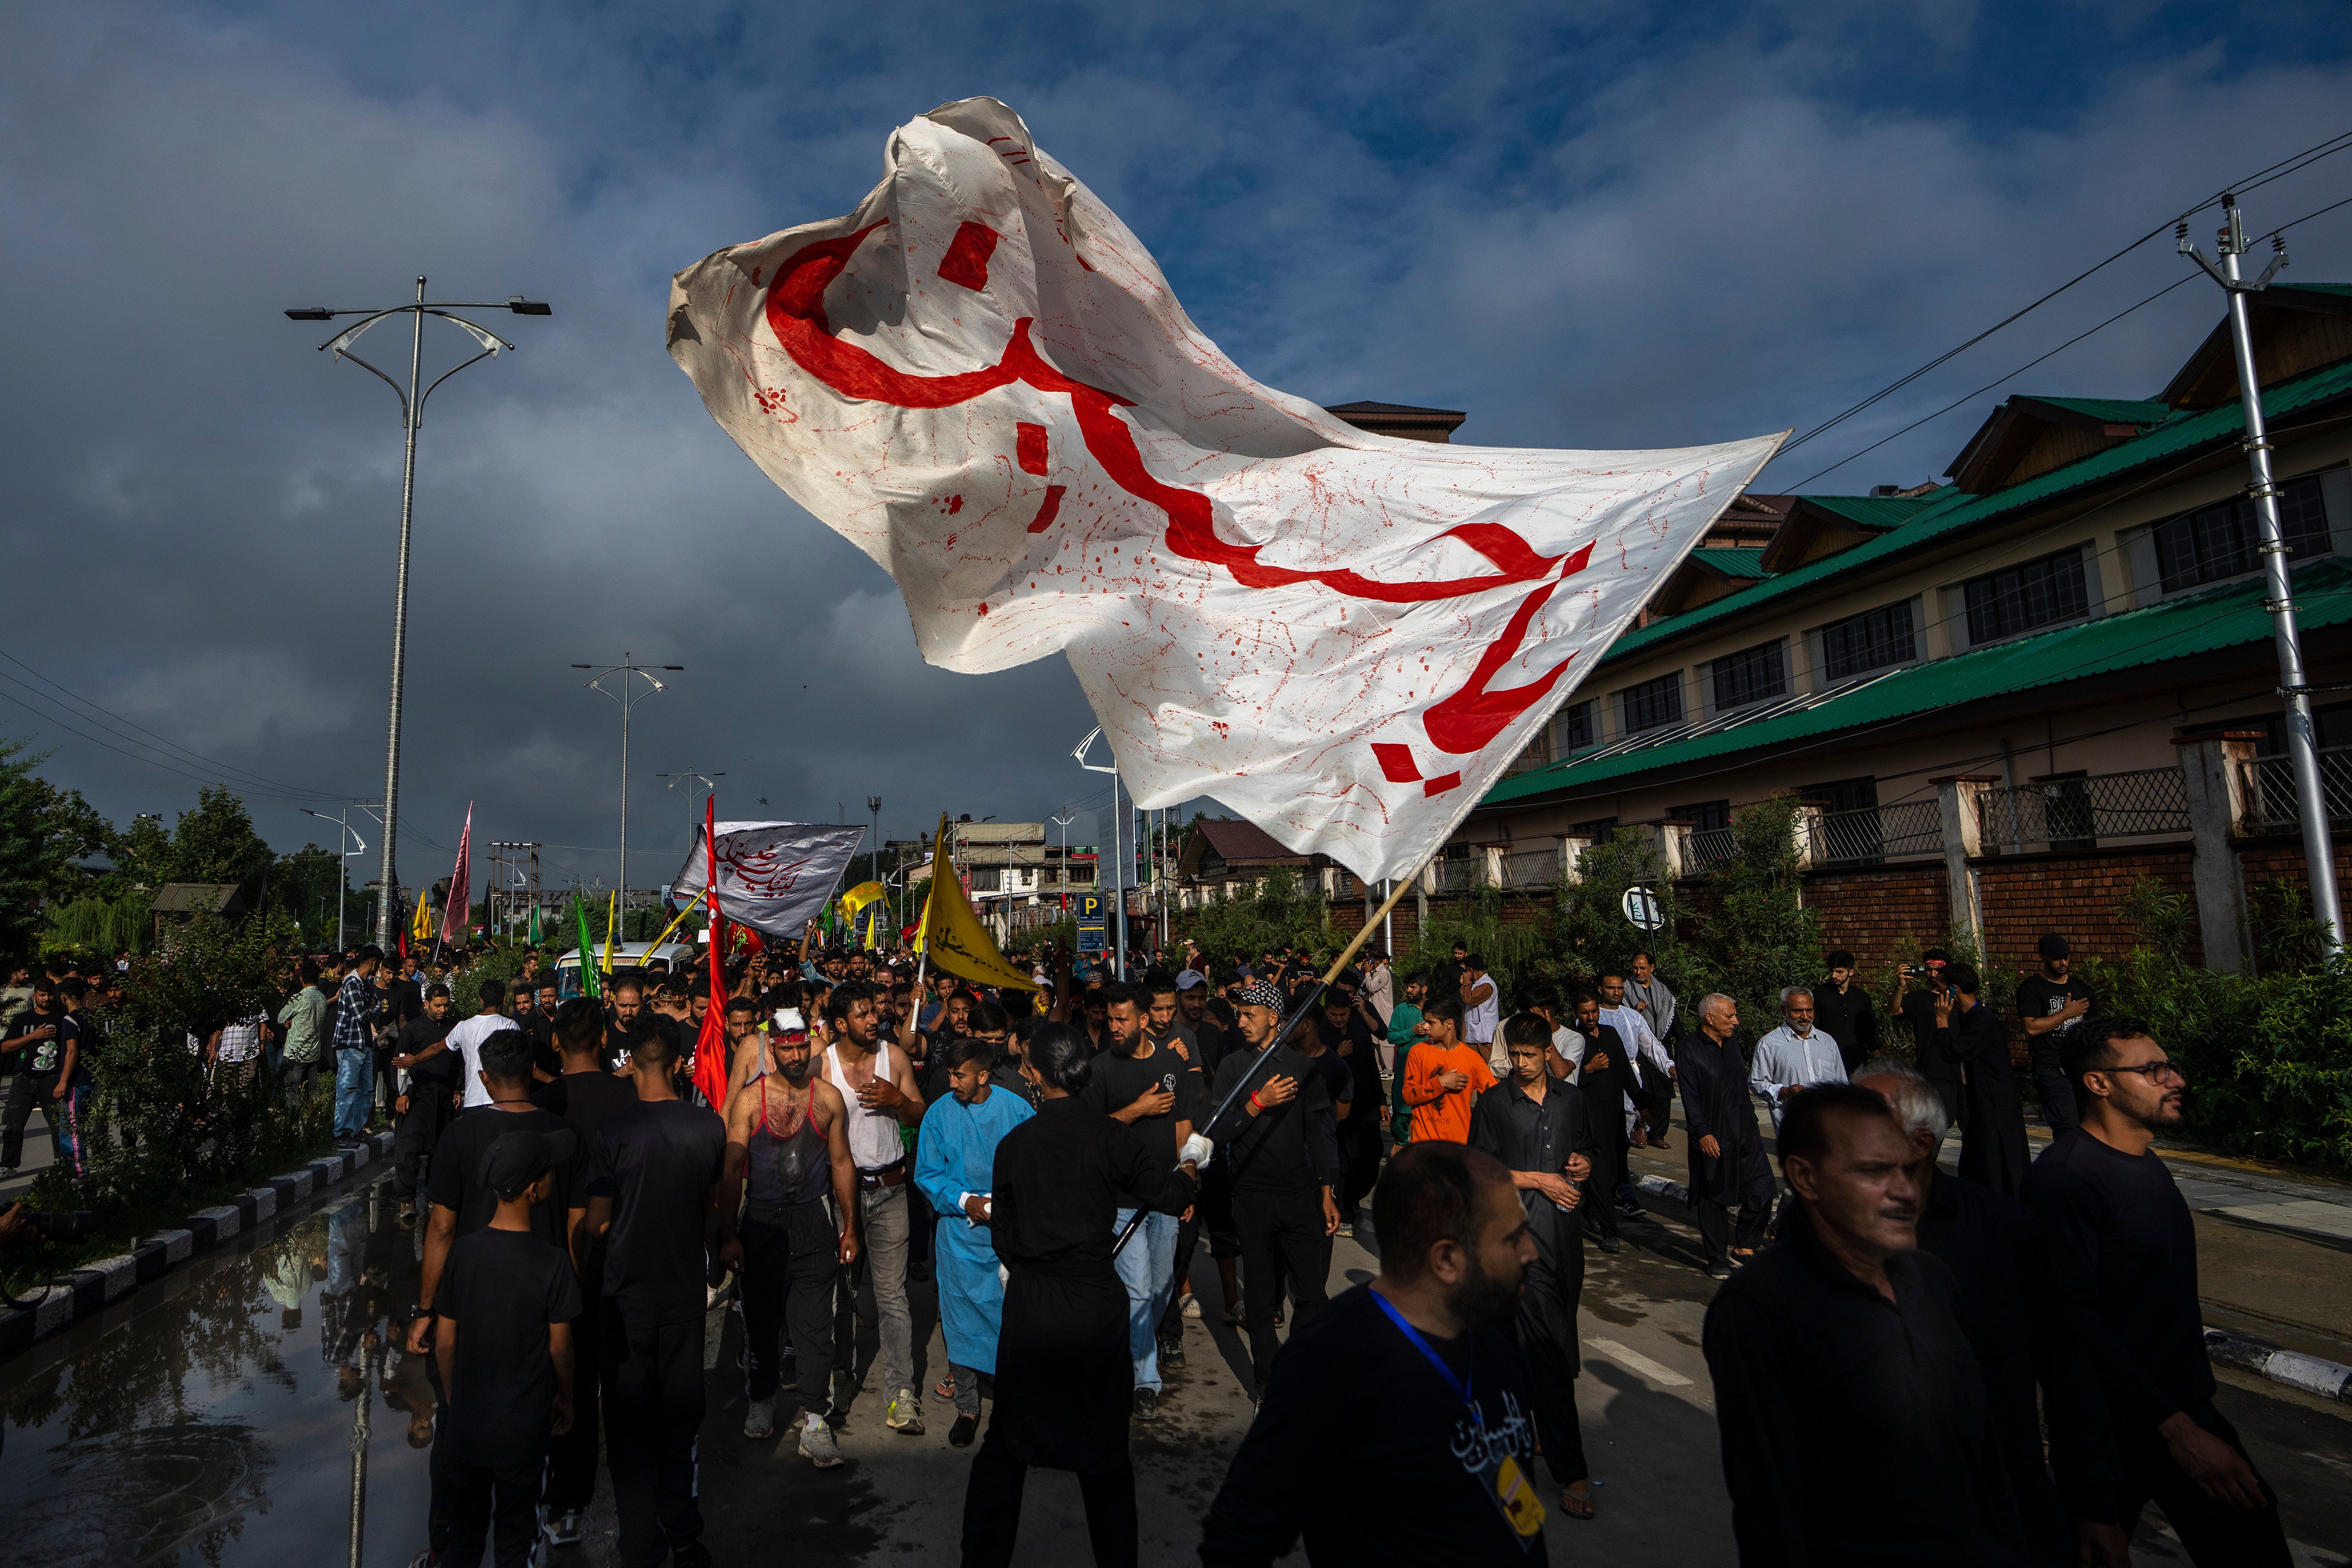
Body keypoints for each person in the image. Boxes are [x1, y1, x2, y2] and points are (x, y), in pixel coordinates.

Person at [1703, 1083, 2025, 1566]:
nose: (1904, 1191)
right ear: (1805, 1178)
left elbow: (1984, 1451)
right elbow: (1768, 1506)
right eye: (1874, 1172)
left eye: (1907, 1169)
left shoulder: (1932, 1280)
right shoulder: (1759, 1307)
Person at [2021, 1018, 2293, 1568]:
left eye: (2168, 1066)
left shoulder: (2145, 1165)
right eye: (2152, 1070)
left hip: (2183, 1410)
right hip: (2123, 1431)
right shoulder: (2066, 1180)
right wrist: (2102, 1491)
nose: (2175, 1080)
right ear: (2098, 1084)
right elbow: (2069, 1330)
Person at [1199, 1140, 1548, 1565]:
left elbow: (1516, 1503)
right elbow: (1237, 1541)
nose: (1530, 1251)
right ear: (1447, 1259)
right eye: (1512, 1238)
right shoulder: (1329, 1362)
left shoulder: (1492, 1324)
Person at [961, 1022, 1200, 1568]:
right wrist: (1192, 1162)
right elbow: (1169, 1193)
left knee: (1007, 1447)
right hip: (1092, 1303)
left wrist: (1031, 1267)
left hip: (1034, 1306)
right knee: (1104, 1453)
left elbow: (1004, 1236)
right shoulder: (1110, 1137)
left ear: (1035, 1075)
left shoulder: (1014, 1145)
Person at [1853, 1058, 2072, 1565]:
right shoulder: (1818, 1232)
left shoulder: (2005, 1230)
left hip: (1996, 1500)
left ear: (1920, 1145)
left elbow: (2065, 1368)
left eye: (1860, 1125)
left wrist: (2093, 1504)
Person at [581, 1029, 727, 1568]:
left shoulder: (615, 1131)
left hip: (625, 1303)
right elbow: (712, 1203)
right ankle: (685, 1535)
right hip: (684, 1296)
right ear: (678, 1068)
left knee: (628, 1429)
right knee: (680, 1420)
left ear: (632, 1066)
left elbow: (597, 1221)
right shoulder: (708, 1127)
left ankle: (638, 1544)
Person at [431, 1127, 583, 1568]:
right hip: (523, 1429)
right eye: (550, 1171)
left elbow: (445, 1342)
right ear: (535, 1189)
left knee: (464, 1541)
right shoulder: (552, 1263)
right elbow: (561, 1350)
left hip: (468, 1427)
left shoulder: (462, 1253)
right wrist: (567, 1398)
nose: (555, 1176)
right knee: (517, 1542)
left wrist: (457, 1402)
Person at [1469, 1012, 1598, 1520]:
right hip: (1517, 1245)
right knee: (1547, 1358)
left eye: (1529, 1055)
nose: (1520, 1064)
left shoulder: (1572, 1099)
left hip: (1566, 1239)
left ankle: (1531, 1433)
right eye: (1514, 1055)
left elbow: (1587, 1149)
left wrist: (1581, 1165)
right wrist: (1538, 1180)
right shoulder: (1496, 1102)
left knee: (1554, 1341)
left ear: (1548, 1051)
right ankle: (1571, 1470)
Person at [716, 1005, 857, 1465]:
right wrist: (729, 1234)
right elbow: (732, 1169)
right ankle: (761, 1399)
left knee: (816, 1329)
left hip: (813, 1224)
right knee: (760, 1325)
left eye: (802, 1045)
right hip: (761, 1223)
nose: (796, 1054)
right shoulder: (750, 1101)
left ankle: (815, 1420)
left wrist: (849, 1225)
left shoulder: (828, 1099)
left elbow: (841, 1164)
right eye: (787, 1046)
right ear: (771, 1050)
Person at [529, 997, 640, 1545]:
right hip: (620, 1260)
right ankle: (634, 1506)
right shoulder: (628, 1097)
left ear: (556, 1042)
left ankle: (565, 1508)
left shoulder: (542, 1103)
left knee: (565, 1385)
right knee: (620, 1385)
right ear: (600, 1040)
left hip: (555, 1265)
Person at [1206, 981, 1342, 1398]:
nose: (1241, 1021)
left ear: (1274, 1019)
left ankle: (1295, 1368)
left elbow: (1319, 1134)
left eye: (1249, 1014)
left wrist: (1327, 1190)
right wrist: (1257, 1102)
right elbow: (1218, 1132)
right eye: (1239, 1014)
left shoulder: (1301, 1067)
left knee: (1312, 1295)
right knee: (1262, 1302)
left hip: (1301, 1195)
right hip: (1251, 1196)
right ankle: (1265, 1385)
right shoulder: (1233, 1067)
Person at [1080, 981, 1196, 1416]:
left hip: (1165, 1196)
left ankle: (1130, 1348)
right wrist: (1138, 1109)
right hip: (1122, 1199)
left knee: (1162, 1287)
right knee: (1139, 1287)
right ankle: (1145, 1379)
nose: (1113, 1026)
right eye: (1109, 1018)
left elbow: (1185, 1126)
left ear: (1144, 1020)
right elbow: (1090, 1132)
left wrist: (1188, 1180)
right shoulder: (1100, 1070)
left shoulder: (1172, 1063)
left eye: (1121, 1019)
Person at [914, 1036, 1034, 1447]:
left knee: (1010, 1321)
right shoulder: (938, 1115)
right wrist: (967, 1200)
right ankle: (967, 1407)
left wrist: (1003, 1204)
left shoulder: (1017, 1110)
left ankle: (1010, 1406)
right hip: (958, 1239)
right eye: (950, 1073)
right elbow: (928, 1174)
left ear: (983, 1075)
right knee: (961, 1320)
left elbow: (1036, 1165)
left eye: (960, 1075)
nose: (952, 1083)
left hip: (1007, 1236)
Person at [819, 979, 928, 1432]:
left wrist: (898, 1100)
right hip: (837, 1196)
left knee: (892, 1297)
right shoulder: (820, 1066)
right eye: (863, 1014)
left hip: (891, 1191)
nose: (874, 1019)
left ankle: (901, 1394)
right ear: (841, 1023)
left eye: (874, 1012)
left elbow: (922, 1115)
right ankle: (840, 1376)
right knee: (839, 1295)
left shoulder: (894, 1058)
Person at [1674, 993, 1772, 1279]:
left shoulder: (1731, 1046)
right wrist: (1702, 1132)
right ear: (1710, 1018)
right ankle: (1716, 1258)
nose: (1735, 1021)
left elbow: (1741, 1088)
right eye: (1729, 1016)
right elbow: (1690, 1096)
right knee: (1714, 1197)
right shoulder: (1689, 1049)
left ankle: (1744, 1248)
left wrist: (1752, 1125)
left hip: (1746, 1133)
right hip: (1714, 1135)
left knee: (1763, 1190)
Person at [1934, 963, 2028, 1195]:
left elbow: (1953, 1052)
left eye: (1941, 988)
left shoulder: (1982, 1020)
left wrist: (1942, 1022)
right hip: (1981, 1100)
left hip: (1995, 1104)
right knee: (1978, 1162)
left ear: (1954, 990)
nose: (1938, 994)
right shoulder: (1969, 1017)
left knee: (1997, 1164)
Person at [1562, 990, 1636, 1252]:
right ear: (1575, 1014)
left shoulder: (1611, 1035)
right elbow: (1563, 1080)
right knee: (1600, 1174)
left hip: (1615, 1119)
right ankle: (1610, 1232)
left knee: (1615, 1172)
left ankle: (1591, 1208)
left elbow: (1626, 1073)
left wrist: (1643, 1107)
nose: (1591, 1017)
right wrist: (1588, 1069)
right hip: (1588, 1121)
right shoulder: (1573, 1040)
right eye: (1585, 1012)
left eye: (1594, 1011)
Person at [391, 984, 460, 1218]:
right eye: (438, 1005)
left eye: (446, 1005)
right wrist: (401, 1095)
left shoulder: (454, 1029)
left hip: (444, 1098)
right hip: (416, 1098)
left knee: (440, 1153)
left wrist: (458, 1089)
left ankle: (434, 1197)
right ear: (426, 1005)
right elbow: (399, 1064)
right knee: (408, 1153)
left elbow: (460, 1062)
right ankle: (407, 1201)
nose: (443, 1009)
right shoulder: (412, 1030)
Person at [0, 977, 79, 1179]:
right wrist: (33, 1036)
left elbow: (72, 1049)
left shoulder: (63, 1018)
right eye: (42, 995)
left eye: (50, 994)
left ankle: (64, 1164)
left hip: (51, 1078)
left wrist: (63, 1080)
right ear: (34, 996)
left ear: (57, 996)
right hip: (23, 1078)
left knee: (58, 1125)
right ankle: (8, 1164)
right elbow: (5, 1046)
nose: (46, 998)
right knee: (14, 1124)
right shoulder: (22, 1020)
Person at [2016, 935, 2094, 1138]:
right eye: (2057, 958)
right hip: (2051, 1067)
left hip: (2080, 1068)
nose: (2063, 962)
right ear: (2043, 957)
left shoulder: (2082, 989)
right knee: (2067, 1127)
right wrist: (2066, 1014)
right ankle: (2065, 1167)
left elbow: (2092, 1029)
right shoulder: (2032, 989)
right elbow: (2031, 1027)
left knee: (2089, 1127)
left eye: (2066, 957)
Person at [1747, 986, 1848, 1138]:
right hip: (1794, 1129)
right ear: (1783, 1010)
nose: (1805, 1016)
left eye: (1809, 1010)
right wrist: (1785, 1092)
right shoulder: (1769, 1044)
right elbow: (1757, 1082)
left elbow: (1842, 1084)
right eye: (1798, 1011)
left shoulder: (1827, 1042)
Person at [1401, 996, 1494, 1146]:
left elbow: (1494, 1098)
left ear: (1449, 1024)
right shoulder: (1418, 1052)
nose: (1424, 1026)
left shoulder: (1472, 1059)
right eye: (1425, 1021)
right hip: (1424, 1145)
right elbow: (1408, 1096)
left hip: (1459, 1146)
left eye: (1431, 1022)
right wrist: (1440, 1083)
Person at [1597, 971, 1673, 1154]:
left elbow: (1651, 1045)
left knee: (1628, 1115)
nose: (1616, 992)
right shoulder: (1594, 1016)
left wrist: (1669, 1066)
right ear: (1601, 990)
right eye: (1611, 988)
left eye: (1620, 988)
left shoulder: (1632, 1016)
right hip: (1602, 1077)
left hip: (1630, 1076)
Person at [1891, 946, 1963, 1127]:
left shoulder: (1958, 998)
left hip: (1961, 1070)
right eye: (1928, 969)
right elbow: (1894, 1011)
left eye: (1938, 970)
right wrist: (1900, 986)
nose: (1933, 974)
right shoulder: (1916, 998)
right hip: (1931, 1070)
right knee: (1937, 1125)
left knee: (1970, 1126)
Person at [332, 945, 387, 1141]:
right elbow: (362, 1015)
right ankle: (342, 1133)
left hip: (365, 1043)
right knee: (348, 1089)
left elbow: (375, 1002)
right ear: (374, 964)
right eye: (378, 965)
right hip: (350, 1043)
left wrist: (373, 1008)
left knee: (367, 1089)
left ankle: (357, 1128)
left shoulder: (366, 983)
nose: (378, 969)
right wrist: (373, 1010)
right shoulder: (352, 982)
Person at [442, 981, 520, 1111]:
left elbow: (437, 1048)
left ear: (482, 1001)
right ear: (504, 1000)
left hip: (471, 1102)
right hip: (501, 1101)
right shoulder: (509, 1026)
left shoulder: (463, 1026)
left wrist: (413, 1060)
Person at [1813, 949, 1879, 1073]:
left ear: (1851, 972)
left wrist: (1878, 1056)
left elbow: (1870, 1031)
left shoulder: (1862, 997)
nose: (1834, 976)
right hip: (1827, 1059)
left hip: (1857, 1061)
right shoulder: (1818, 995)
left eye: (1839, 972)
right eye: (1831, 971)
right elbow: (1813, 1028)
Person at [278, 959, 330, 1103]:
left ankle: (294, 1122)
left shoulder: (299, 998)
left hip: (296, 1052)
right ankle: (313, 1119)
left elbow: (281, 1017)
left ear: (301, 978)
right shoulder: (322, 998)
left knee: (293, 1092)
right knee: (313, 1091)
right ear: (318, 978)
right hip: (314, 1051)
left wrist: (289, 1020)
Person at [1459, 953, 1500, 1070]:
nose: (1465, 974)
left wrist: (1466, 983)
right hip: (1474, 1036)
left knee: (1488, 1071)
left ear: (1471, 970)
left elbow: (1469, 999)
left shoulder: (1487, 985)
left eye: (1466, 971)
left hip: (1484, 1038)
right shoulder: (1476, 984)